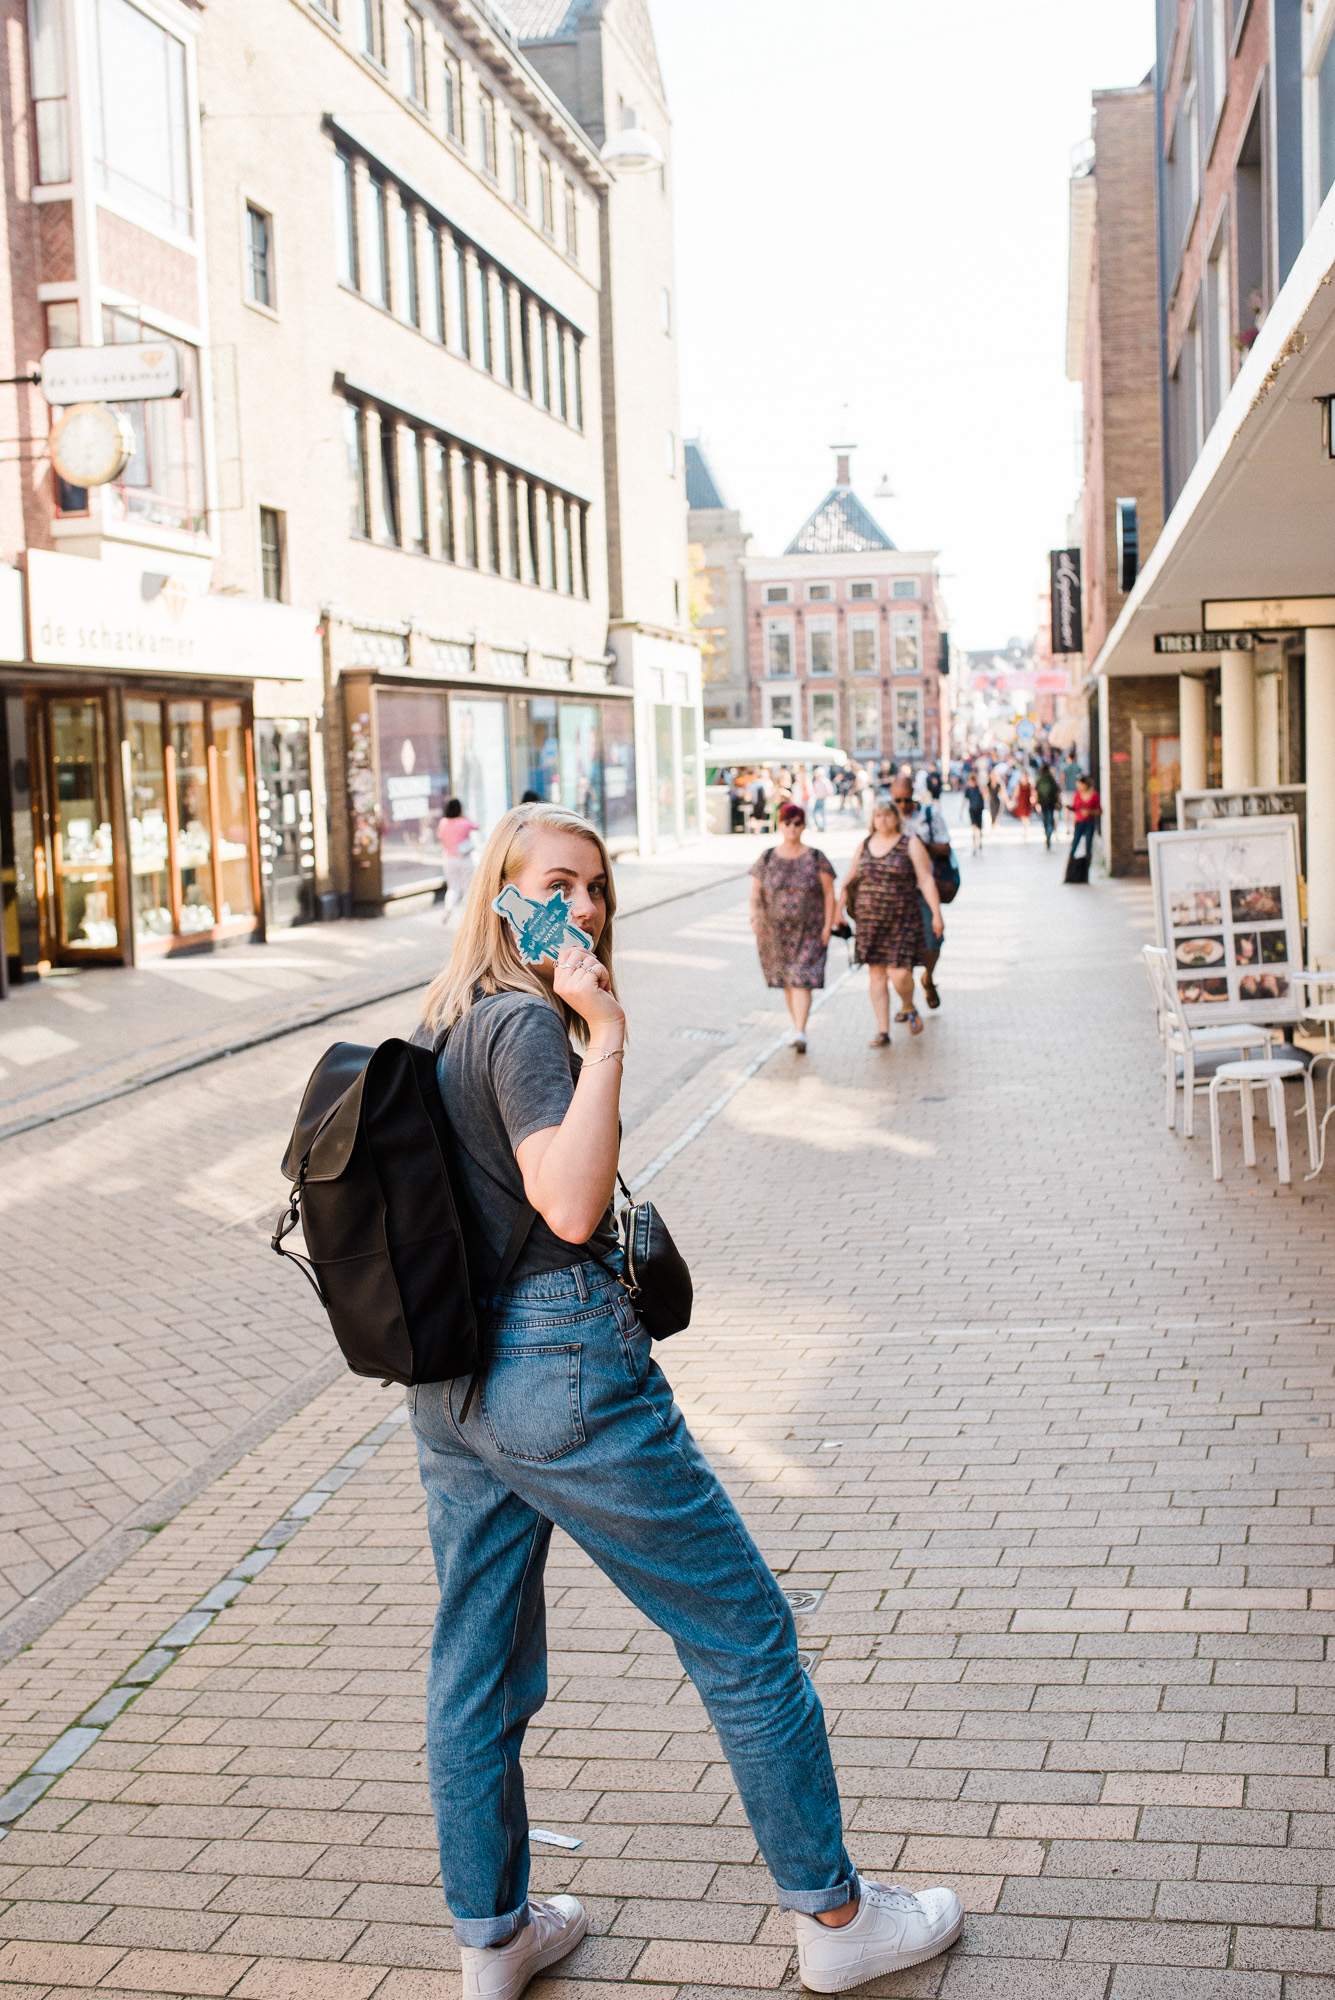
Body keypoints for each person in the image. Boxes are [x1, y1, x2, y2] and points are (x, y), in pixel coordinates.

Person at [412, 802, 964, 1994]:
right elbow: (566, 1206)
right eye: (559, 881)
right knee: (746, 1630)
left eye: (599, 885)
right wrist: (603, 1031)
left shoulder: (448, 1020)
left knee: (476, 1667)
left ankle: (493, 1940)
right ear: (500, 891)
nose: (588, 905)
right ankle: (836, 1919)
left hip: (451, 1386)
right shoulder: (525, 1028)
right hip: (559, 1371)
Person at [838, 798, 944, 1044]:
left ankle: (908, 1005)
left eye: (888, 815)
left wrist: (936, 913)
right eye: (878, 816)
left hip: (902, 921)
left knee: (899, 974)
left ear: (897, 818)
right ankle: (882, 1030)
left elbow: (926, 879)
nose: (883, 820)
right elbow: (850, 878)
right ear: (873, 820)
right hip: (869, 923)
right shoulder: (864, 845)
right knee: (876, 975)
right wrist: (837, 909)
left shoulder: (910, 843)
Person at [749, 802, 837, 1053]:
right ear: (780, 824)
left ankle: (800, 1031)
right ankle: (797, 1026)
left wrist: (828, 926)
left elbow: (830, 893)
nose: (792, 827)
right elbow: (755, 891)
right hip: (773, 933)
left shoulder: (816, 857)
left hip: (809, 930)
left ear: (804, 826)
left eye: (797, 823)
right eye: (787, 822)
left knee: (801, 980)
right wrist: (754, 917)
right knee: (788, 980)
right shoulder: (767, 857)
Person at [891, 770, 949, 1011]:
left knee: (932, 941)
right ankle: (907, 1002)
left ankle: (928, 976)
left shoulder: (929, 814)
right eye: (898, 800)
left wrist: (921, 846)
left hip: (924, 888)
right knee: (898, 948)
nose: (903, 805)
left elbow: (945, 848)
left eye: (907, 799)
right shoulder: (888, 817)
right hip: (897, 891)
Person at [438, 798, 480, 913]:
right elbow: (477, 826)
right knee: (468, 887)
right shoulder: (464, 822)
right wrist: (464, 816)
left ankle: (448, 907)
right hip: (465, 859)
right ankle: (468, 912)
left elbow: (442, 840)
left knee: (453, 887)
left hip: (450, 859)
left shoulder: (443, 823)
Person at [1070, 772, 1100, 865]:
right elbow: (1074, 808)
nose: (1078, 786)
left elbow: (1099, 810)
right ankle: (1070, 869)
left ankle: (1086, 869)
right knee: (1074, 845)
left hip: (1089, 823)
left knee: (1088, 846)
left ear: (1085, 784)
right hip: (1079, 823)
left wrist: (1089, 812)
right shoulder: (1076, 795)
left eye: (1080, 784)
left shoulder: (1094, 795)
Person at [1035, 761, 1061, 850]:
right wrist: (1058, 801)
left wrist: (1037, 802)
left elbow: (1036, 791)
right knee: (1050, 818)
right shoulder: (1051, 778)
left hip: (1042, 802)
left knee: (1045, 819)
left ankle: (1047, 833)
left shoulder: (1039, 778)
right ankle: (1049, 833)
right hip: (1051, 802)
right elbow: (1056, 790)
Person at [964, 771, 986, 854]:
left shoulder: (979, 788)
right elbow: (965, 800)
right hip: (972, 809)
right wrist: (961, 811)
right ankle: (974, 845)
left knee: (979, 828)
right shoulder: (968, 790)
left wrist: (980, 788)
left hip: (979, 809)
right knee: (974, 828)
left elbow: (984, 797)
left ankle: (979, 842)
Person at [1011, 768, 1033, 841]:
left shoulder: (1030, 784)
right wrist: (1012, 801)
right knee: (1023, 817)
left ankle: (1026, 831)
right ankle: (1025, 830)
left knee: (1026, 817)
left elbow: (1032, 792)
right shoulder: (1019, 784)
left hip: (1027, 802)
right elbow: (1015, 793)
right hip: (1021, 801)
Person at [1061, 752, 1081, 828]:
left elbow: (1062, 779)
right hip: (1076, 791)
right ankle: (1074, 826)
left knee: (1067, 809)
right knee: (1075, 809)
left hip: (1067, 791)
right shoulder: (1078, 768)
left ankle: (1067, 826)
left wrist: (1061, 788)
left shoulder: (1066, 768)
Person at [811, 767, 832, 832]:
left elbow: (830, 791)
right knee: (815, 813)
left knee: (823, 814)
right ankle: (819, 827)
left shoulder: (825, 781)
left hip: (823, 799)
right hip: (818, 799)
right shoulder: (816, 781)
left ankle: (824, 828)